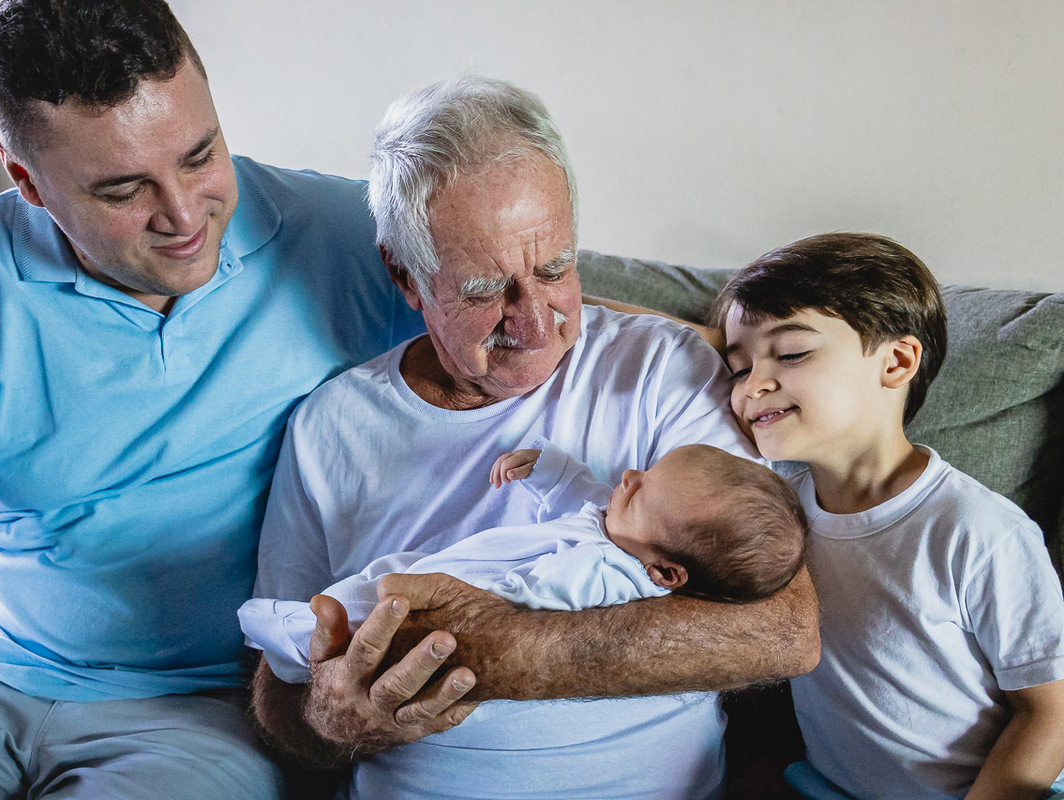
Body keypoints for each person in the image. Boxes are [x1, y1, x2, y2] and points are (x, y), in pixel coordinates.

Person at [0, 1, 429, 797]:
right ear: (26, 181)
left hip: (203, 712)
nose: (184, 215)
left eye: (201, 156)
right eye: (124, 190)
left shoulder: (344, 235)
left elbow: (549, 307)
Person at [249, 75, 820, 800]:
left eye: (555, 269)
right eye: (484, 290)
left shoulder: (659, 370)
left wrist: (485, 644)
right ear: (405, 275)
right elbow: (276, 692)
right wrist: (330, 718)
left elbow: (782, 630)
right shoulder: (331, 427)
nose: (534, 321)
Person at [710, 232, 1064, 799]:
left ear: (897, 361)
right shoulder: (775, 507)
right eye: (738, 368)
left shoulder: (977, 530)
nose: (753, 386)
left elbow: (1049, 712)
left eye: (791, 353)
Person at [242, 440, 808, 682]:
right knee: (381, 578)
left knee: (366, 611)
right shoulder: (629, 535)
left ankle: (285, 636)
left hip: (479, 588)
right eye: (645, 470)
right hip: (454, 569)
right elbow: (585, 499)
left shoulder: (610, 572)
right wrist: (549, 470)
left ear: (665, 574)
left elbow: (544, 597)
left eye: (639, 492)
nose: (629, 476)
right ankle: (295, 635)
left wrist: (497, 597)